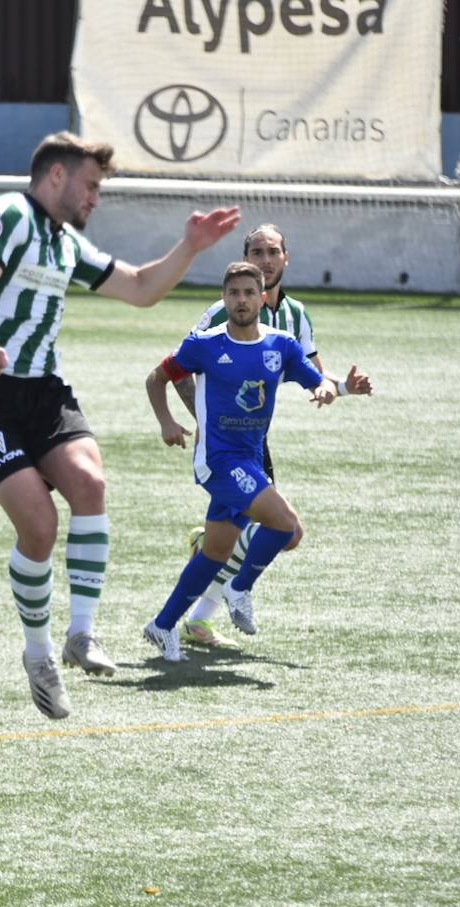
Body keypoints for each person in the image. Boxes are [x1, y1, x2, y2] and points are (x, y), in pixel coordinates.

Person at [0, 129, 240, 720]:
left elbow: (139, 288)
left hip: (44, 393)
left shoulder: (63, 243)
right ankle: (39, 654)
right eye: (91, 186)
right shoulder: (6, 216)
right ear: (57, 175)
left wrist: (191, 247)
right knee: (41, 525)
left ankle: (81, 634)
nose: (96, 199)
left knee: (91, 485)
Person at [172, 224, 373, 648]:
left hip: (252, 439)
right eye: (257, 251)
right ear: (246, 260)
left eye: (273, 251)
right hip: (228, 444)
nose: (266, 259)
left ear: (286, 258)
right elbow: (177, 368)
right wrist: (206, 424)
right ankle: (202, 610)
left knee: (265, 534)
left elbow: (315, 376)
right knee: (287, 531)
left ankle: (198, 614)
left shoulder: (297, 315)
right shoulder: (223, 311)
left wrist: (344, 387)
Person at [142, 261, 334, 663]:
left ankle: (162, 625)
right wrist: (167, 422)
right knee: (285, 523)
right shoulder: (205, 344)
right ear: (224, 298)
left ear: (262, 298)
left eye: (249, 293)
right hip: (217, 459)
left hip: (249, 457)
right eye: (233, 294)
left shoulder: (281, 344)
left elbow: (315, 378)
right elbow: (156, 377)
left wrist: (328, 388)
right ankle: (239, 587)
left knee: (215, 552)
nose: (241, 300)